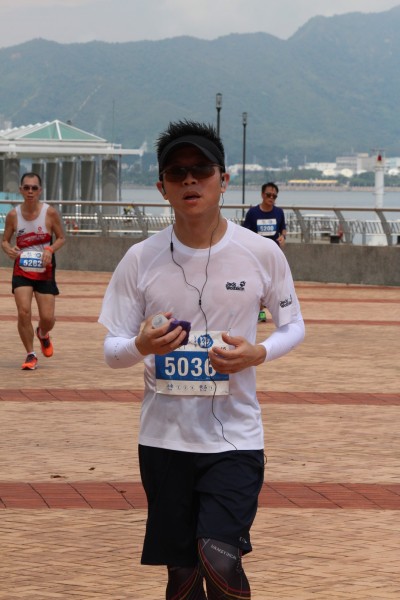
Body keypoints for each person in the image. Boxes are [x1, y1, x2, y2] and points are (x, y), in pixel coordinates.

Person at [98, 120, 305, 599]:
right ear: (162, 187)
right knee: (183, 576)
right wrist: (142, 346)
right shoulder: (140, 258)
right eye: (177, 172)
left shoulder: (261, 253)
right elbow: (112, 351)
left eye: (202, 170)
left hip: (236, 438)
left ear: (223, 180)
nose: (190, 180)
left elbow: (294, 326)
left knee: (219, 559)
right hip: (163, 441)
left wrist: (258, 352)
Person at [1, 172, 65, 370]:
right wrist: (9, 250)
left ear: (40, 190)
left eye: (34, 188)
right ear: (21, 190)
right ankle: (30, 354)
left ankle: (43, 334)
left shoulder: (50, 213)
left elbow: (61, 238)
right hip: (22, 269)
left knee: (47, 318)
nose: (30, 191)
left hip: (44, 270)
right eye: (26, 188)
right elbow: (5, 241)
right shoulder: (13, 215)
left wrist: (50, 249)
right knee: (24, 312)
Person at [243, 182, 287, 322]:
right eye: (268, 195)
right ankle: (260, 311)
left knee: (274, 285)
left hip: (273, 255)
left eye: (274, 196)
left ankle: (273, 310)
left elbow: (283, 228)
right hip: (256, 256)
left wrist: (283, 237)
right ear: (262, 195)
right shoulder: (253, 213)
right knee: (258, 284)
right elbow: (245, 232)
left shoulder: (279, 212)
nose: (271, 198)